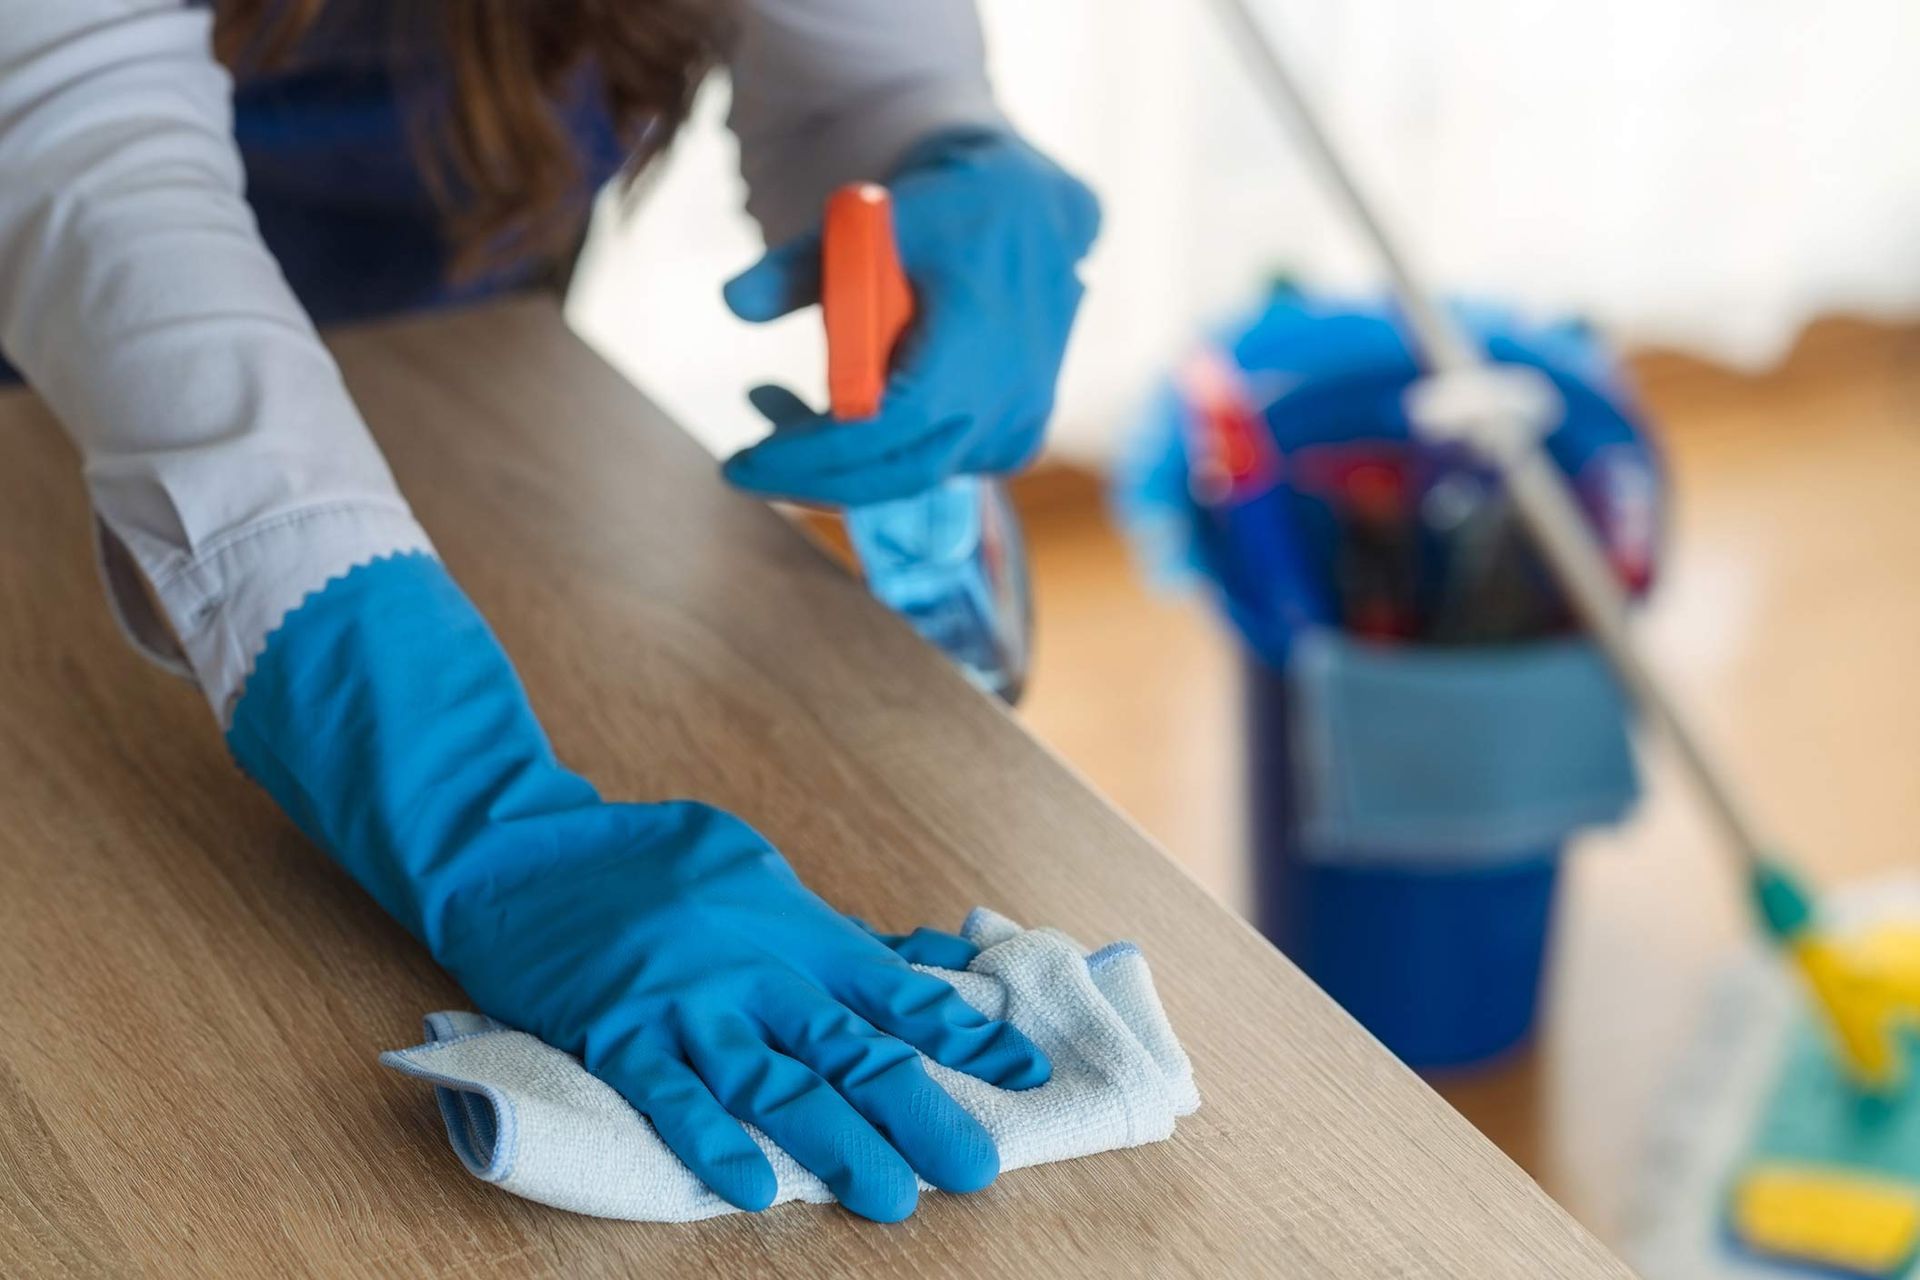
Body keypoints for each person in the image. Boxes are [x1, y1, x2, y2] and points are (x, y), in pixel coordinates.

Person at [0, 0, 1100, 1223]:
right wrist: (472, 794)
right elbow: (85, 137)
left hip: (470, 402)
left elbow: (854, 77)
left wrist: (927, 142)